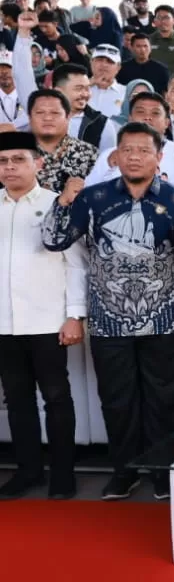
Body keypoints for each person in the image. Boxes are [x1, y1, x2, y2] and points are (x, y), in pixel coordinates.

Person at [43, 122, 174, 500]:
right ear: (115, 156)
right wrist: (63, 202)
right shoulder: (93, 199)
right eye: (127, 149)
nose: (134, 156)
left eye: (143, 150)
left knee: (164, 401)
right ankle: (124, 471)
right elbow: (54, 241)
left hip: (165, 319)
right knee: (117, 400)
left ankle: (164, 471)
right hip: (108, 320)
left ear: (158, 157)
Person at [0, 132, 86, 499]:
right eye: (3, 161)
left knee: (56, 398)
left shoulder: (58, 204)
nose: (9, 167)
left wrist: (75, 315)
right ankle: (28, 471)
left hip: (48, 322)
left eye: (18, 160)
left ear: (38, 163)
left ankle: (63, 474)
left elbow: (77, 266)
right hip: (4, 324)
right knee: (17, 401)